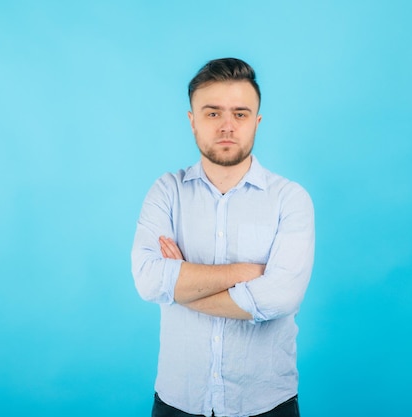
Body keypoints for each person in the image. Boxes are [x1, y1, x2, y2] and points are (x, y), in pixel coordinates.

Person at [131, 57, 315, 417]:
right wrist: (245, 273)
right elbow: (148, 280)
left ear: (257, 122)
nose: (227, 126)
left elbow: (280, 297)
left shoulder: (290, 199)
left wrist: (180, 284)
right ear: (192, 121)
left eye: (240, 114)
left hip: (266, 404)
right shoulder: (167, 191)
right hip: (178, 401)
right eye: (213, 113)